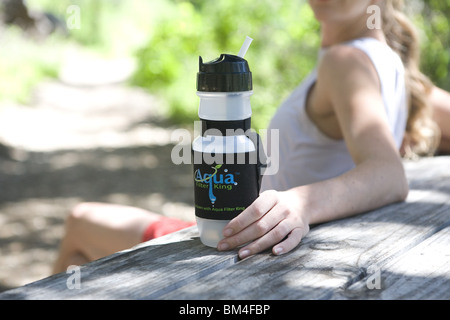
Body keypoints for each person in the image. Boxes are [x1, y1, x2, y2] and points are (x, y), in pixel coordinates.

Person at [52, 0, 450, 274]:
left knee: (80, 222)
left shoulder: (346, 61)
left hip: (245, 248)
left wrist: (299, 205)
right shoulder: (402, 73)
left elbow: (388, 175)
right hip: (257, 242)